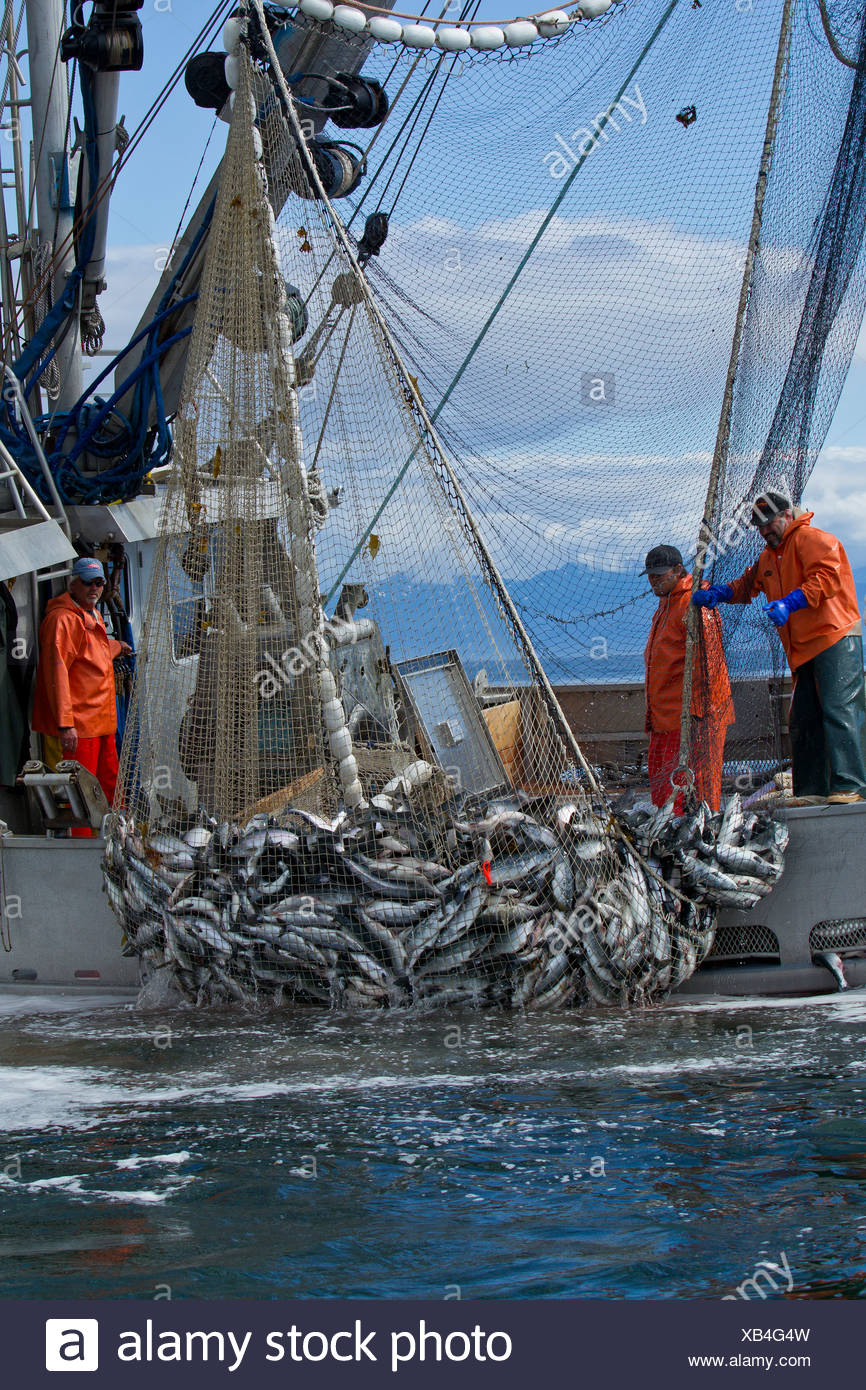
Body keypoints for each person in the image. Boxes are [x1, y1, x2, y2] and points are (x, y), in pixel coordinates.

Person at [693, 487, 866, 804]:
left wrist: (790, 603)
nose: (764, 530)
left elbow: (826, 578)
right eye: (759, 525)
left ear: (787, 516)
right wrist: (718, 594)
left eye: (769, 522)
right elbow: (746, 586)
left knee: (840, 710)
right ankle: (811, 790)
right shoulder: (768, 558)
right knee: (803, 719)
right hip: (801, 649)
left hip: (835, 638)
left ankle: (851, 786)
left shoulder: (815, 540)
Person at [31, 557, 131, 827]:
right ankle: (84, 853)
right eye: (88, 582)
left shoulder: (91, 613)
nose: (95, 588)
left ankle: (115, 843)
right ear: (72, 584)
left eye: (99, 582)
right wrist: (65, 724)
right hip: (80, 728)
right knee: (82, 796)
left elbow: (93, 653)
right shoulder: (61, 620)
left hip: (102, 723)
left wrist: (118, 646)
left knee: (109, 788)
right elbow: (57, 672)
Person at [643, 544, 734, 812]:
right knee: (666, 794)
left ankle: (697, 839)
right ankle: (671, 839)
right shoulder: (666, 603)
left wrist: (699, 717)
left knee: (697, 794)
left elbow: (711, 664)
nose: (654, 580)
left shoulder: (695, 602)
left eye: (660, 575)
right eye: (650, 575)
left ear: (678, 570)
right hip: (664, 718)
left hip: (693, 719)